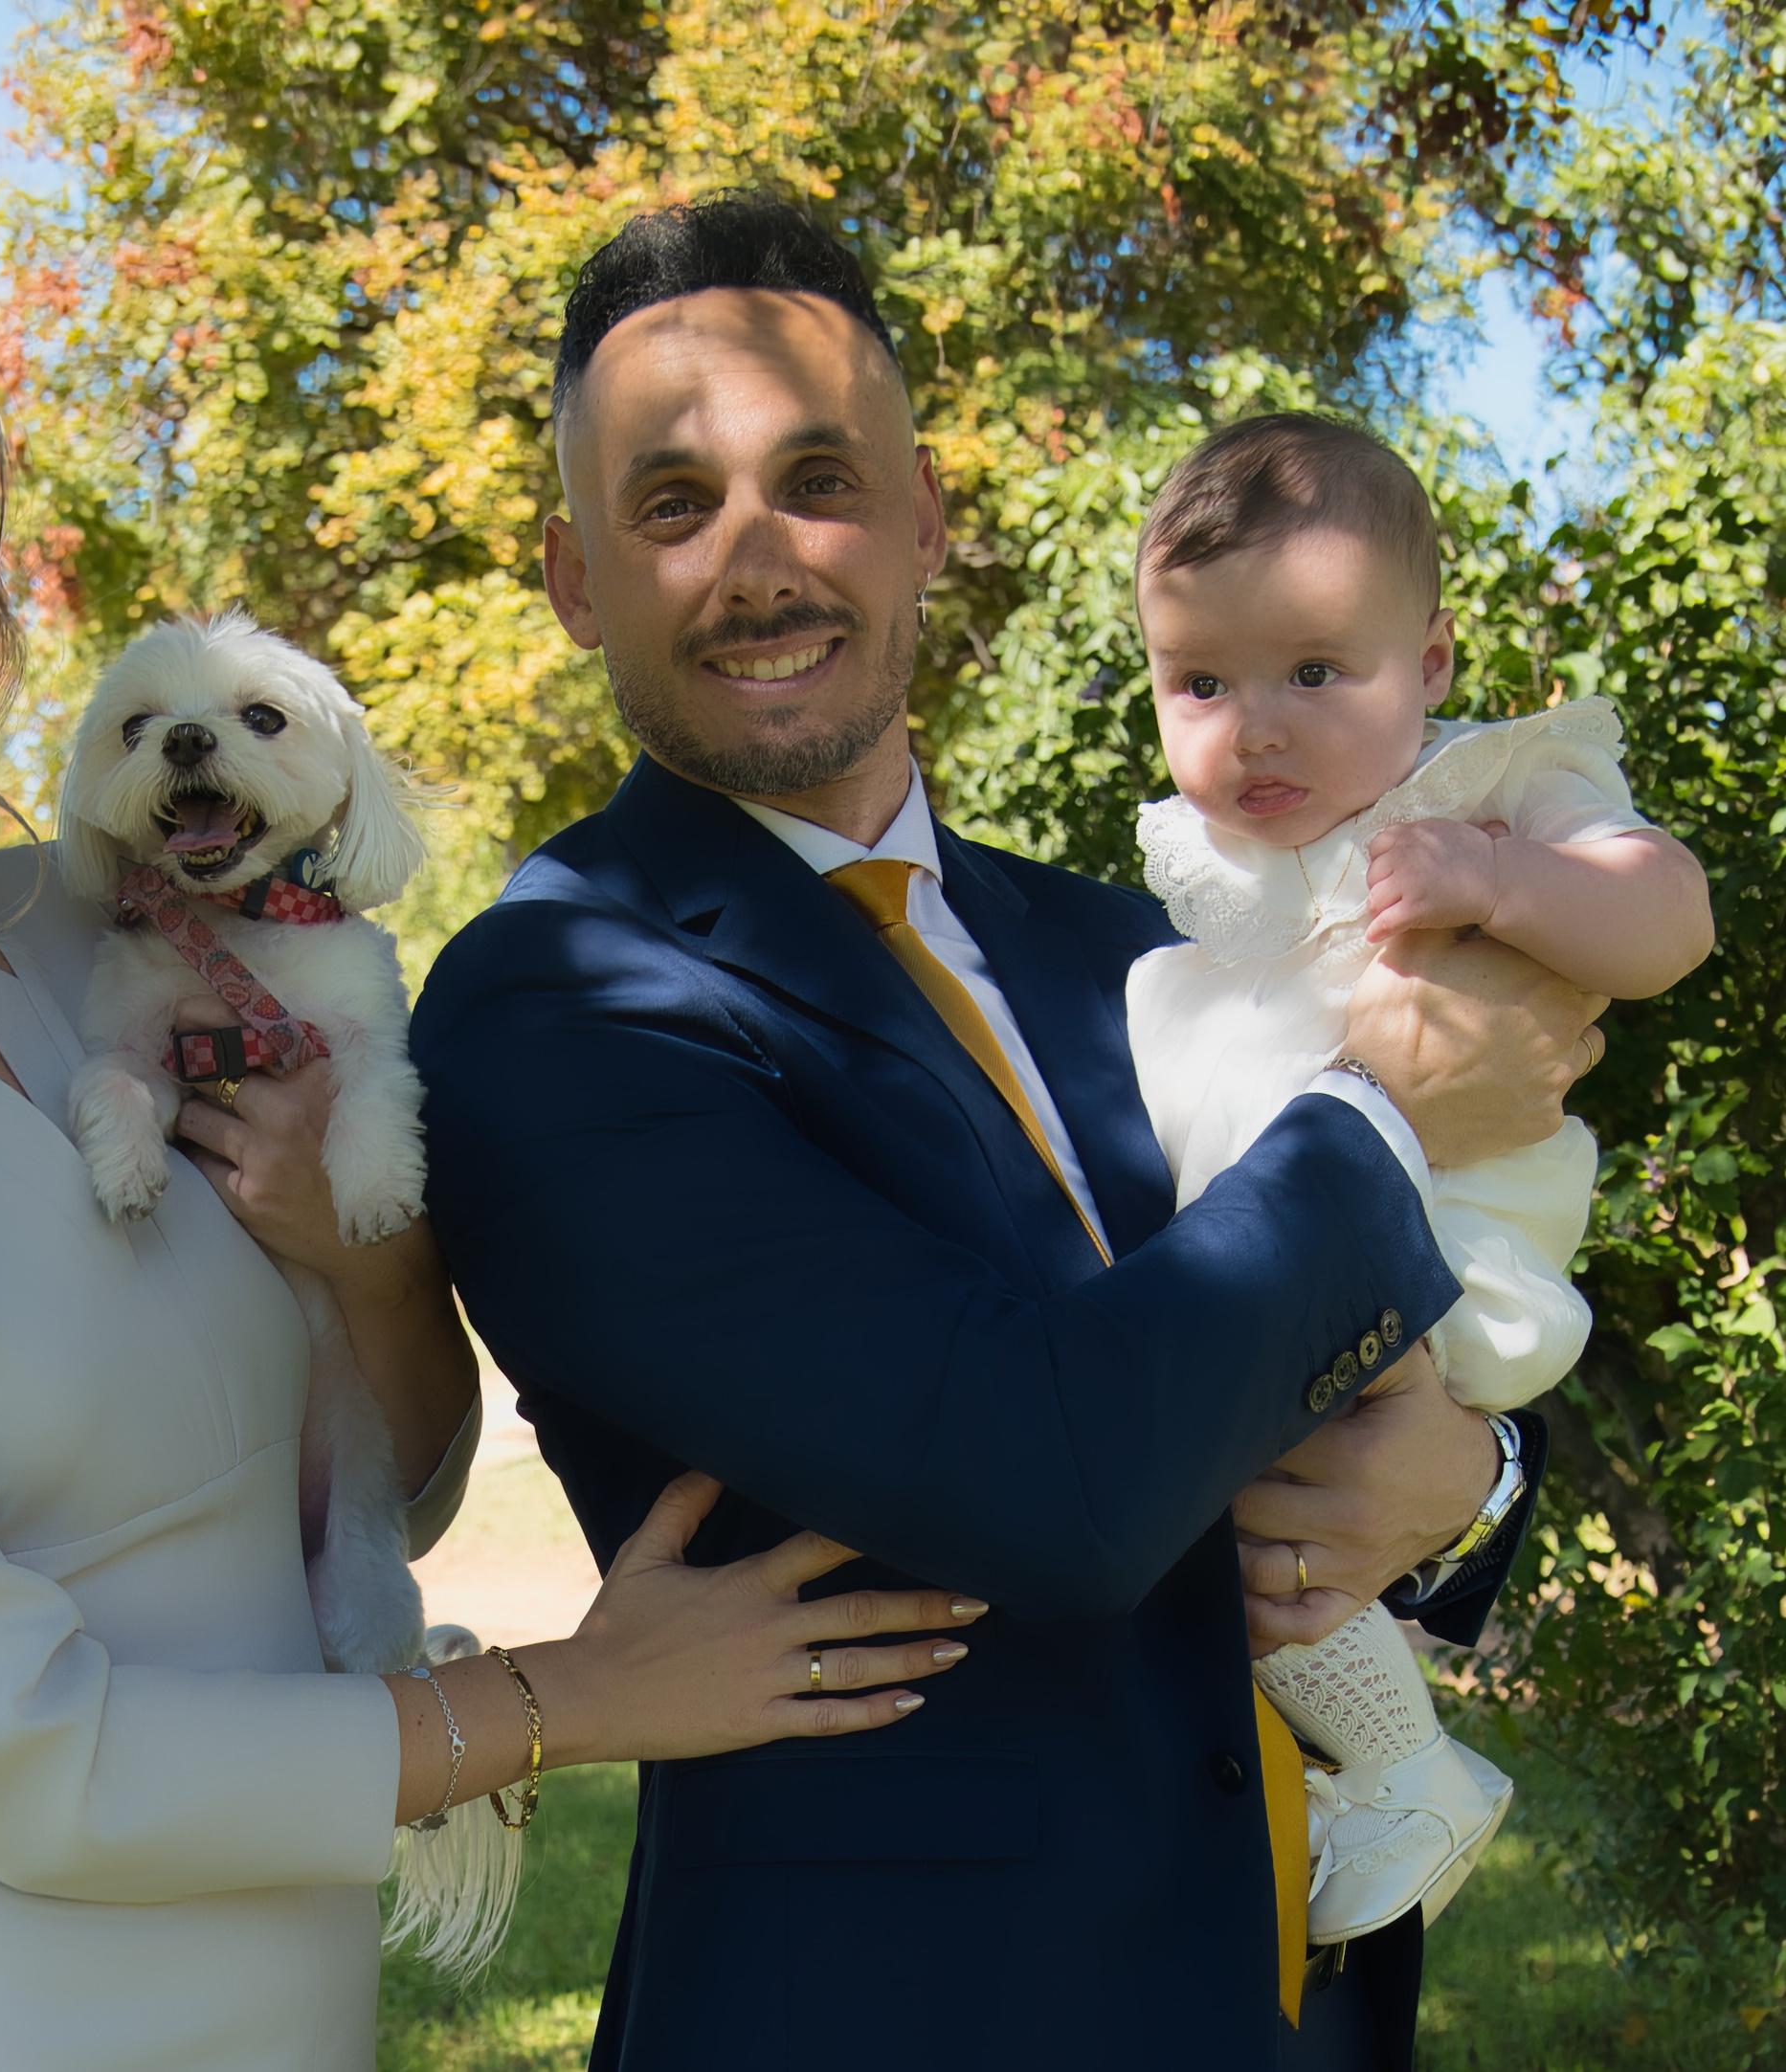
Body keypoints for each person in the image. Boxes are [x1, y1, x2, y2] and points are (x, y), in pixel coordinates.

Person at [0, 162, 974, 2072]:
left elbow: (382, 1472)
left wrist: (366, 1255)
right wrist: (567, 1701)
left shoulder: (122, 935)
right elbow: (33, 1760)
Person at [410, 192, 1605, 2071]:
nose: (753, 560)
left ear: (923, 520)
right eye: (667, 505)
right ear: (571, 579)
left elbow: (1359, 1337)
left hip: (1293, 2005)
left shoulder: (1144, 945)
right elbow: (1040, 1476)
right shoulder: (545, 1012)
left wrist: (1470, 1490)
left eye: (816, 479)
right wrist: (1382, 1113)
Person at [1126, 412, 1712, 1945]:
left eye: (1316, 671)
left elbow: (1669, 922)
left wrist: (1504, 881)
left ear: (1434, 664)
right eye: (1203, 681)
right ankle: (1385, 1764)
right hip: (1280, 1285)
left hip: (1443, 1264)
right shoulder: (1198, 884)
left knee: (1239, 1513)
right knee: (1238, 1523)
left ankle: (1402, 1766)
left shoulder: (1497, 783)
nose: (1254, 728)